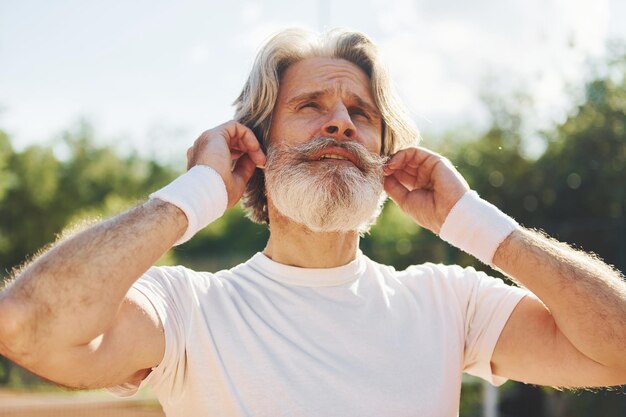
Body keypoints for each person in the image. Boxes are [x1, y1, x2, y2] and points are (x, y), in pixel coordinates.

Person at [0, 28, 625, 417]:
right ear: (256, 146)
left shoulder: (448, 301)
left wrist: (477, 224)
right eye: (309, 106)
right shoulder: (187, 307)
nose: (340, 123)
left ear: (384, 158)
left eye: (360, 112)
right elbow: (28, 327)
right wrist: (194, 193)